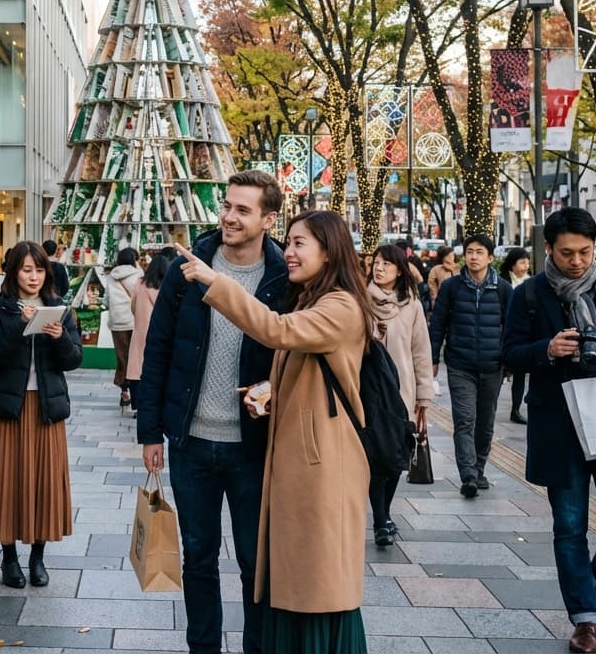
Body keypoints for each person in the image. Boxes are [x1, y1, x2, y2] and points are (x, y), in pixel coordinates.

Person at [174, 210, 372, 653]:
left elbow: (276, 331)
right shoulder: (314, 301)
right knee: (297, 581)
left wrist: (215, 282)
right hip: (302, 463)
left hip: (323, 468)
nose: (290, 252)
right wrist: (270, 392)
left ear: (329, 249)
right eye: (290, 242)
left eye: (300, 243)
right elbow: (309, 369)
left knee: (318, 585)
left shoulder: (340, 305)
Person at [138, 170, 288, 654]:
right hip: (192, 444)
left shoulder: (283, 277)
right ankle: (203, 648)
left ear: (268, 218)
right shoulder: (190, 268)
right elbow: (158, 350)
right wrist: (150, 432)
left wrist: (270, 391)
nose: (229, 216)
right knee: (198, 558)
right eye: (227, 206)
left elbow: (294, 354)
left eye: (243, 210)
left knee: (253, 561)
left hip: (254, 446)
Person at [502, 208, 596, 654]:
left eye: (585, 252)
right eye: (566, 252)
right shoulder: (529, 294)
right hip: (558, 424)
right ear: (547, 248)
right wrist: (546, 350)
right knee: (569, 525)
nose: (577, 261)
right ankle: (585, 618)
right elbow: (510, 354)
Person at [0, 241, 83, 588]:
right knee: (6, 481)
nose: (33, 276)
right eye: (26, 269)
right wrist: (19, 329)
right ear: (13, 272)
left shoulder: (61, 310)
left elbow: (73, 360)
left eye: (38, 270)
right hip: (10, 409)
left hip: (47, 410)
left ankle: (38, 558)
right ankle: (9, 559)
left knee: (45, 483)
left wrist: (60, 337)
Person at [429, 234, 512, 498]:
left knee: (485, 421)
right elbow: (438, 324)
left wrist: (510, 361)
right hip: (459, 364)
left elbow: (512, 329)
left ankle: (479, 468)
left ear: (490, 257)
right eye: (469, 252)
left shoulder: (503, 289)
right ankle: (468, 475)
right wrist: (432, 358)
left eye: (479, 252)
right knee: (464, 420)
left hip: (492, 365)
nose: (474, 257)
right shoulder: (452, 287)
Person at [368, 243, 434, 546]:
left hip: (402, 393)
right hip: (369, 391)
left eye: (386, 264)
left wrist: (424, 398)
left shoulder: (412, 305)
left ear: (399, 270)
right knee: (376, 457)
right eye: (376, 263)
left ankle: (385, 512)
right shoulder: (360, 300)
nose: (379, 268)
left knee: (396, 458)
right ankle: (380, 519)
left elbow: (420, 352)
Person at [126, 252, 169, 414]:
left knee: (137, 368)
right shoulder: (167, 285)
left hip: (141, 330)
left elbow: (133, 306)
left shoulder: (140, 283)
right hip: (162, 332)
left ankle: (138, 405)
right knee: (159, 368)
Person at [499, 248, 533, 424]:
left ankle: (516, 409)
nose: (526, 265)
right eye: (522, 262)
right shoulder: (503, 283)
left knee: (519, 374)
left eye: (527, 261)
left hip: (523, 335)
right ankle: (490, 407)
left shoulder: (531, 283)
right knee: (499, 374)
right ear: (512, 264)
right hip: (502, 335)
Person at [107, 247, 143, 409]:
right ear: (133, 259)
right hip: (134, 321)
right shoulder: (138, 275)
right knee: (135, 358)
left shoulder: (111, 276)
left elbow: (107, 298)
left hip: (117, 322)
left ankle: (124, 391)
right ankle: (135, 393)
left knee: (122, 357)